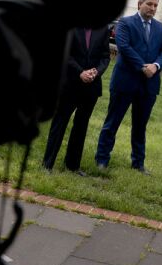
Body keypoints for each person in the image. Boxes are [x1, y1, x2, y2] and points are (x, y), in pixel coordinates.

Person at [95, 0, 162, 174]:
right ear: (139, 4)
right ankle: (102, 159)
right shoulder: (125, 23)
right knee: (112, 122)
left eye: (155, 5)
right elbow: (124, 47)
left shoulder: (160, 28)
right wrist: (143, 67)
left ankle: (138, 163)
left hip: (149, 85)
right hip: (125, 81)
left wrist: (157, 66)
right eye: (149, 4)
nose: (152, 8)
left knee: (140, 126)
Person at [41, 25, 111, 176]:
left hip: (92, 86)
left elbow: (105, 56)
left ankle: (72, 165)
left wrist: (96, 72)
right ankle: (47, 164)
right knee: (59, 124)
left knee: (81, 126)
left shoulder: (103, 28)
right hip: (69, 84)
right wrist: (80, 72)